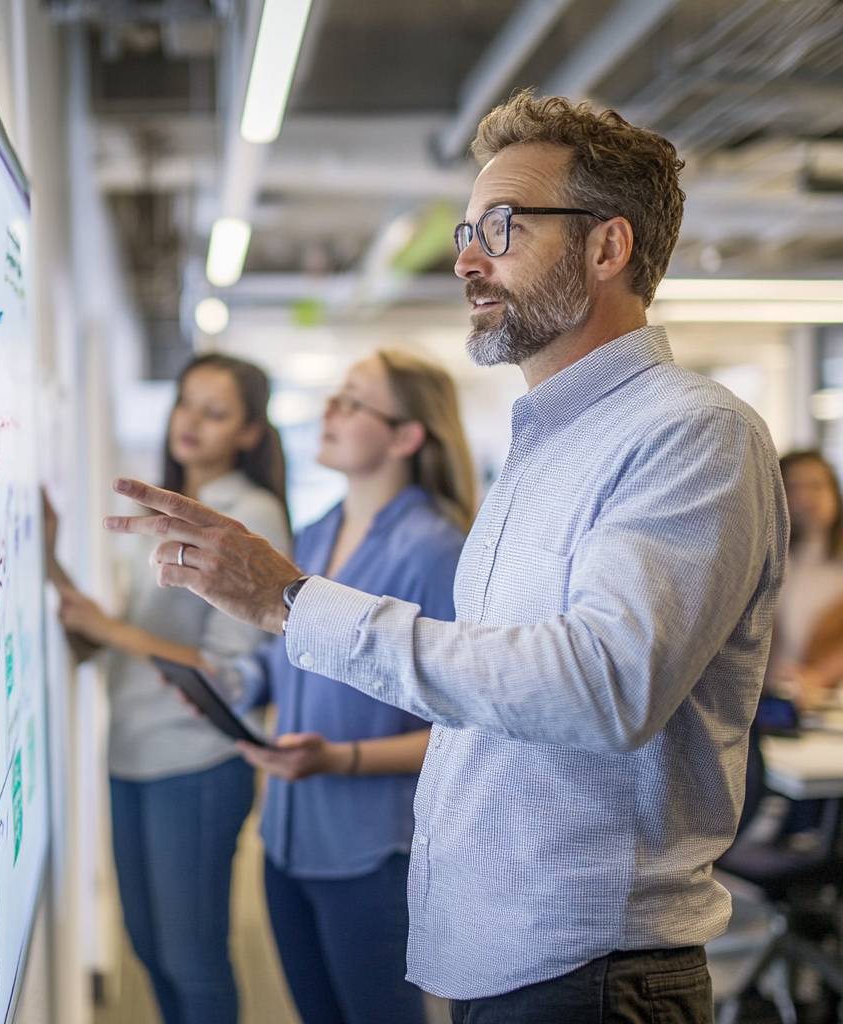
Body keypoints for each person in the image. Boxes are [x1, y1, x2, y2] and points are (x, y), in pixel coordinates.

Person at [103, 91, 789, 1024]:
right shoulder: (539, 454)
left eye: (501, 227)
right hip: (500, 961)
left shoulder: (690, 433)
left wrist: (295, 603)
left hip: (591, 971)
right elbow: (487, 698)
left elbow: (603, 686)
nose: (466, 257)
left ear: (607, 247)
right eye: (470, 229)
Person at [223, 349, 473, 1024]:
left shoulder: (436, 549)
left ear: (406, 436)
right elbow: (290, 658)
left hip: (373, 851)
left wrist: (343, 759)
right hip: (287, 838)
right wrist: (234, 682)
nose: (330, 412)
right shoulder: (316, 530)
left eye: (353, 402)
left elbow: (469, 724)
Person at [45, 354, 291, 1024]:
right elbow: (107, 633)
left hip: (197, 764)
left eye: (216, 413)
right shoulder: (160, 507)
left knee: (193, 962)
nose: (193, 424)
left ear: (247, 433)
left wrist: (109, 628)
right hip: (129, 752)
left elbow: (230, 673)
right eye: (187, 405)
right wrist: (47, 559)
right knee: (151, 953)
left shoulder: (249, 513)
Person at [767, 449, 843, 707]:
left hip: (827, 701)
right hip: (769, 700)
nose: (805, 498)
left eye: (816, 486)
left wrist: (818, 677)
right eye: (794, 487)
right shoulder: (766, 560)